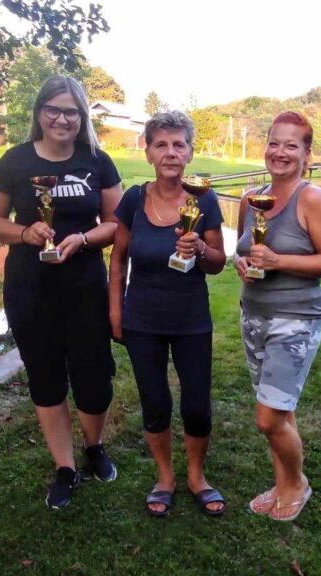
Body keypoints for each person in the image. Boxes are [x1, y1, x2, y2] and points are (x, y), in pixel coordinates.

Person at [0, 75, 123, 509]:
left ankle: (94, 446)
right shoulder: (15, 160)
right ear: (39, 113)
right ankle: (65, 467)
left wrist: (83, 238)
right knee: (45, 377)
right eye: (53, 110)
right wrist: (25, 233)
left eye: (71, 112)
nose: (62, 119)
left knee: (93, 378)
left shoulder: (97, 160)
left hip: (85, 288)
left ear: (82, 117)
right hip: (30, 288)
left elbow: (116, 223)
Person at [109, 111, 228, 517]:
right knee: (155, 401)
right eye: (161, 144)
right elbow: (118, 259)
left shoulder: (204, 199)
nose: (170, 152)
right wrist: (115, 312)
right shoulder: (133, 200)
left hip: (191, 320)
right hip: (142, 320)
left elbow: (218, 262)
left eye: (179, 144)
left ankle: (196, 476)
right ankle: (165, 478)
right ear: (148, 153)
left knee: (196, 404)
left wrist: (201, 250)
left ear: (190, 153)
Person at [234, 111, 321, 522]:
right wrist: (240, 263)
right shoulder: (252, 198)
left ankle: (297, 483)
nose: (280, 152)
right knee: (280, 411)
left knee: (268, 418)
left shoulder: (311, 198)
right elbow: (243, 249)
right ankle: (282, 486)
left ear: (306, 153)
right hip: (254, 315)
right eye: (274, 143)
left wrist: (279, 261)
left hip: (295, 319)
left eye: (291, 145)